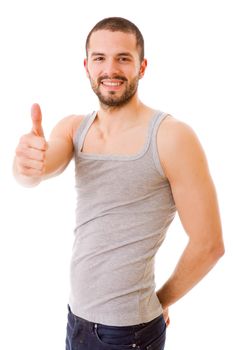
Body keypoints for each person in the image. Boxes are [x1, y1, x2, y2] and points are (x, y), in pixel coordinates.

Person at [13, 16, 224, 350]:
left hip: (129, 333)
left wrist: (160, 301)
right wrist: (24, 165)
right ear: (87, 66)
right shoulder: (72, 129)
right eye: (100, 58)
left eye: (123, 58)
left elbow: (209, 245)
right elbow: (37, 170)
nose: (110, 69)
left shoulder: (171, 137)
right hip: (76, 319)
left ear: (142, 66)